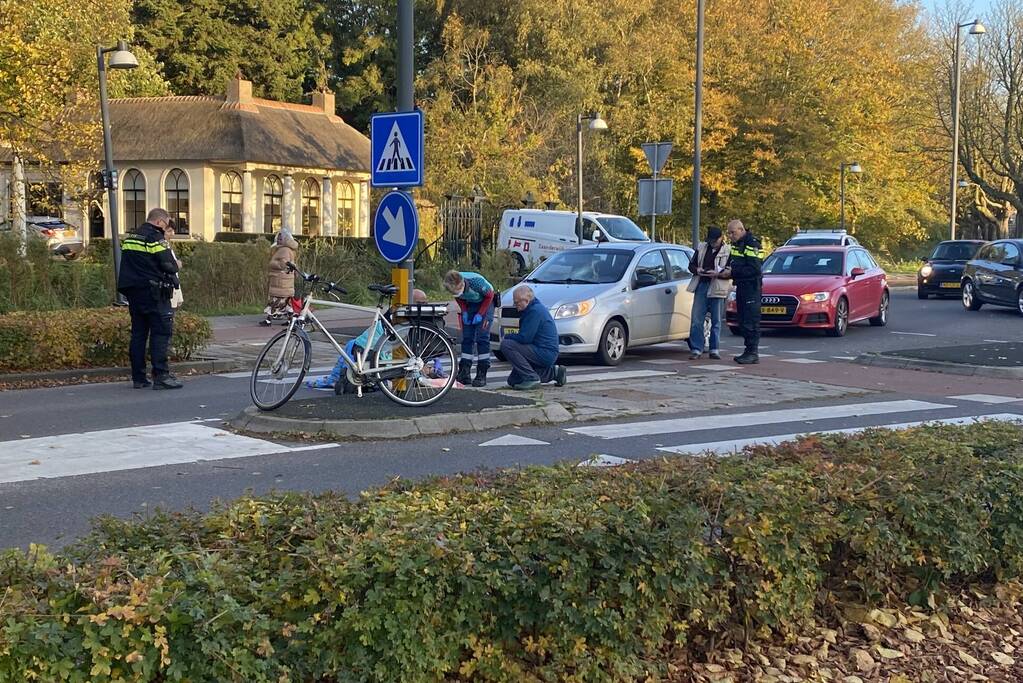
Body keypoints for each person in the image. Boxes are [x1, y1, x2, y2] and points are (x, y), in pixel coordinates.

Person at [307, 289, 430, 392]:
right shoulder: (402, 319)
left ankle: (342, 379)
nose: (424, 306)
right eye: (422, 303)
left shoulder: (398, 318)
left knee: (353, 347)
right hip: (371, 351)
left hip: (364, 350)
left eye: (425, 303)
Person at [117, 207, 182, 389]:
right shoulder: (155, 238)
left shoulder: (131, 237)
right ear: (160, 222)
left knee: (138, 334)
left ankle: (138, 377)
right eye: (167, 224)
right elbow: (169, 265)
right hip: (154, 293)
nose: (166, 227)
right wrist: (177, 264)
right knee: (161, 333)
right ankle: (161, 376)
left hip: (134, 293)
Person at [499, 285, 566, 390]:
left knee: (507, 345)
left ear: (526, 300)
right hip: (542, 350)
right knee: (513, 381)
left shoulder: (534, 311)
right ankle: (554, 373)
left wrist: (507, 336)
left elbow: (525, 338)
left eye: (517, 302)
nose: (515, 305)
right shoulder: (533, 309)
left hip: (544, 352)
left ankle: (532, 378)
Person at [719, 219, 764, 364]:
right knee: (743, 319)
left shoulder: (752, 244)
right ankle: (748, 350)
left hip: (751, 287)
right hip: (742, 286)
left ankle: (752, 352)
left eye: (733, 232)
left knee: (751, 320)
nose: (730, 236)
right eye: (729, 233)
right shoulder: (737, 244)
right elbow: (733, 262)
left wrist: (733, 272)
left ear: (741, 229)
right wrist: (727, 271)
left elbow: (754, 269)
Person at [443, 270, 496, 387]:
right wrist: (465, 311)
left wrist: (481, 314)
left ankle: (482, 371)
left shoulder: (476, 282)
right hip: (470, 303)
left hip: (486, 302)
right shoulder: (452, 285)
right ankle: (465, 371)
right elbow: (459, 297)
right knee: (467, 337)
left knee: (482, 337)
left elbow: (489, 295)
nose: (455, 293)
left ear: (462, 284)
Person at [686, 226, 730, 360]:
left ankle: (714, 349)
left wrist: (718, 274)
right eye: (710, 241)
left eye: (714, 241)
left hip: (717, 286)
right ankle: (696, 349)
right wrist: (698, 270)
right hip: (702, 284)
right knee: (696, 319)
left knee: (716, 320)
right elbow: (691, 265)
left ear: (721, 238)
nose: (711, 243)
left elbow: (730, 270)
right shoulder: (702, 247)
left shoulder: (728, 251)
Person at [261, 230, 299, 326]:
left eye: (280, 238)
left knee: (274, 302)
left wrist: (273, 264)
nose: (278, 240)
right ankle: (290, 321)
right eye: (278, 238)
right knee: (285, 304)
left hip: (280, 281)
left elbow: (283, 264)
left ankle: (268, 320)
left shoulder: (284, 250)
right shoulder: (289, 249)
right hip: (285, 281)